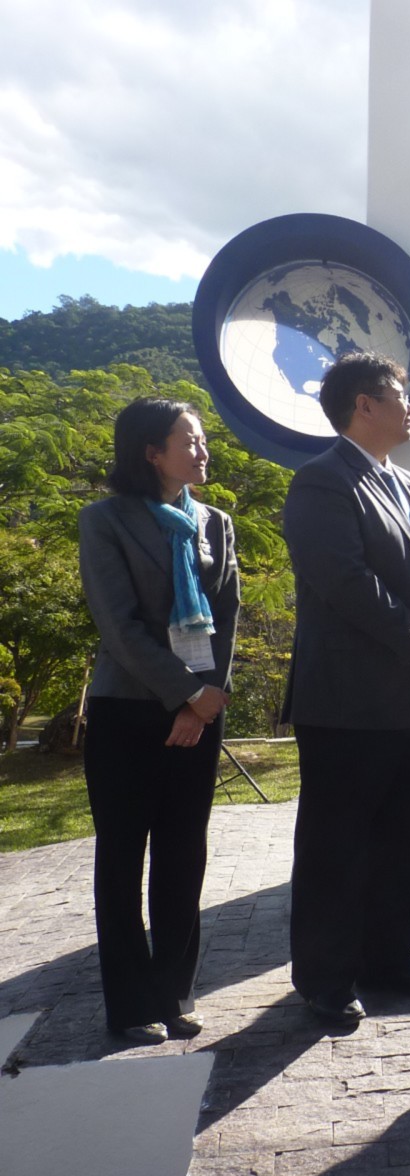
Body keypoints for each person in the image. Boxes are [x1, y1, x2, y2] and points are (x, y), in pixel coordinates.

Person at [282, 352, 410, 1029]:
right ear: (363, 405)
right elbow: (344, 581)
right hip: (351, 704)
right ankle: (326, 979)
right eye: (399, 394)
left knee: (403, 841)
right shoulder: (322, 481)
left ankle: (390, 959)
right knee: (337, 847)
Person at [78, 397, 239, 1044]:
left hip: (200, 710)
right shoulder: (105, 520)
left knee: (183, 853)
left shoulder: (215, 522)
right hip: (127, 710)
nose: (203, 451)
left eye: (201, 440)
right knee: (122, 858)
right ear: (151, 452)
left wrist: (207, 699)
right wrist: (184, 695)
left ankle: (174, 993)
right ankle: (130, 1005)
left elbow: (226, 618)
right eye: (189, 441)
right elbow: (118, 626)